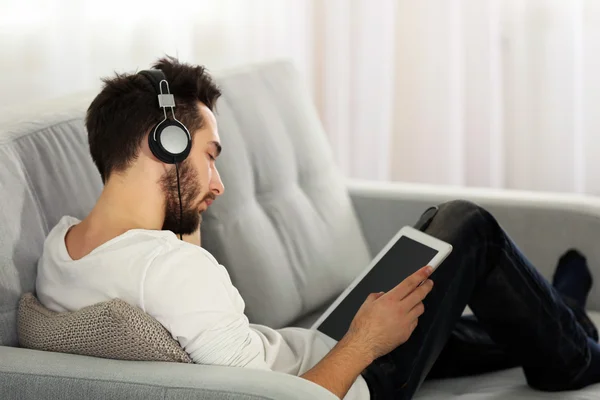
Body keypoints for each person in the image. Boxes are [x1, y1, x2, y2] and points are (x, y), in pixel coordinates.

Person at [35, 57, 600, 400]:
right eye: (211, 155)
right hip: (354, 379)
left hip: (310, 347)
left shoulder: (62, 249)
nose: (220, 182)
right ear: (167, 145)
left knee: (446, 317)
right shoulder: (174, 273)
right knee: (465, 224)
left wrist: (184, 208)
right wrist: (365, 341)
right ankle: (573, 354)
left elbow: (164, 275)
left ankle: (560, 307)